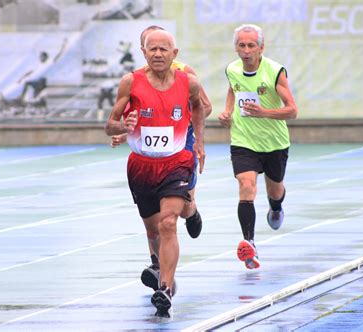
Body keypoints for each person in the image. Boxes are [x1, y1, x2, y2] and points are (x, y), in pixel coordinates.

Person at [105, 29, 205, 317]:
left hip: (176, 162)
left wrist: (199, 142)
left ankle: (164, 288)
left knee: (168, 223)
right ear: (144, 52)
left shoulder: (189, 82)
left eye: (164, 49)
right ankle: (190, 212)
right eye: (153, 49)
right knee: (153, 230)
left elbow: (199, 109)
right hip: (142, 166)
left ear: (174, 54)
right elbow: (110, 125)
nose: (158, 54)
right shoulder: (130, 83)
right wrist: (123, 127)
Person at [218, 24, 298, 270]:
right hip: (243, 141)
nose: (246, 50)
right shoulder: (232, 69)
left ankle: (276, 207)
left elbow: (292, 111)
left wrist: (264, 112)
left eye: (251, 45)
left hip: (274, 143)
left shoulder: (274, 71)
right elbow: (234, 87)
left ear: (261, 47)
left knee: (275, 190)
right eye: (241, 45)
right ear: (236, 47)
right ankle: (250, 244)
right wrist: (228, 110)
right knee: (246, 185)